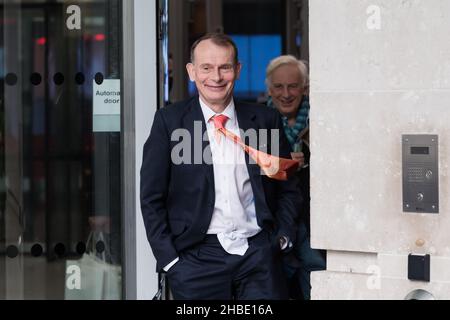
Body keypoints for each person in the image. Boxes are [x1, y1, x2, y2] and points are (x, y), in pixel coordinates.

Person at [140, 33, 301, 300]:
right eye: (206, 68)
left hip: (258, 257)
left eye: (224, 67)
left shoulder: (264, 120)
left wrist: (281, 238)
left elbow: (287, 186)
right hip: (196, 260)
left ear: (237, 70)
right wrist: (170, 261)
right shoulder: (170, 122)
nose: (215, 77)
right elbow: (151, 198)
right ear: (191, 72)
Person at [265, 55, 326, 300]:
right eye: (279, 87)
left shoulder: (323, 121)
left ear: (305, 88)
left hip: (315, 223)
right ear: (269, 90)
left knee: (318, 279)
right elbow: (248, 174)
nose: (286, 93)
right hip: (277, 221)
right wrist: (283, 165)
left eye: (293, 86)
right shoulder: (257, 123)